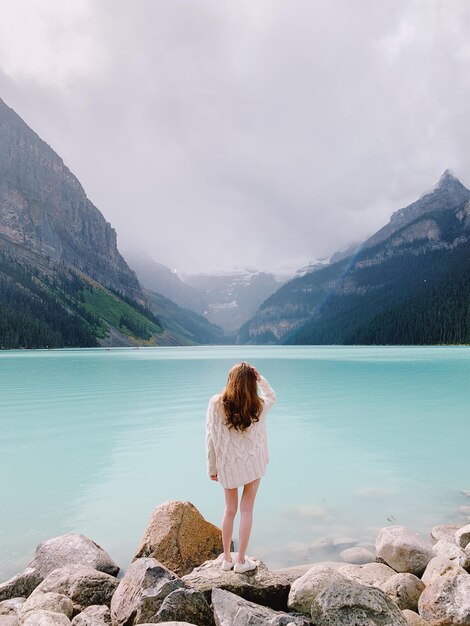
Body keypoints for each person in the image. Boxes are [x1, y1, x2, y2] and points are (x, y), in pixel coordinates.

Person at [205, 362, 276, 573]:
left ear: (230, 381)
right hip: (253, 464)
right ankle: (242, 561)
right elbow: (272, 396)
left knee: (229, 510)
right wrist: (260, 378)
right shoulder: (259, 405)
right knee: (247, 510)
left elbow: (210, 437)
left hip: (228, 465)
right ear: (251, 383)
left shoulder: (216, 403)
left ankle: (227, 558)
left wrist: (212, 467)